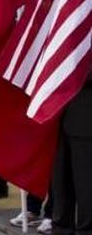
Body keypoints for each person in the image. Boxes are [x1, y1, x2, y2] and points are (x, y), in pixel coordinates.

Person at [50, 73, 91, 234]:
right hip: (62, 118)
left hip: (86, 121)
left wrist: (72, 68)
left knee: (86, 186)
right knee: (61, 182)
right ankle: (61, 227)